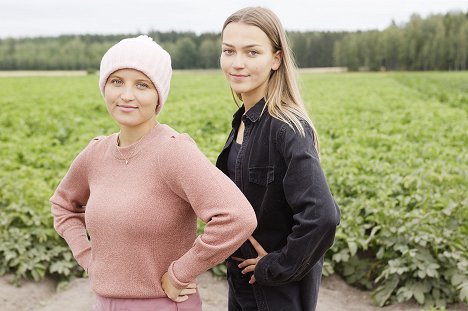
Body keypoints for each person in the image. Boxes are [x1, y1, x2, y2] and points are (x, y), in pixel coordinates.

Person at [50, 35, 257, 311]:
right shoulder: (96, 153)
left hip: (162, 304)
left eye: (142, 85)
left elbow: (237, 217)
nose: (126, 95)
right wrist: (88, 257)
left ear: (158, 95)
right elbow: (63, 206)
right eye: (116, 81)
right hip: (103, 303)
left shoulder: (173, 151)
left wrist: (180, 273)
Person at [216, 7, 341, 311]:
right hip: (244, 283)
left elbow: (322, 216)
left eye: (252, 52)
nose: (237, 63)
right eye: (228, 51)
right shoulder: (245, 120)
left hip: (274, 293)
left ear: (276, 58)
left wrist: (275, 266)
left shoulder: (286, 129)